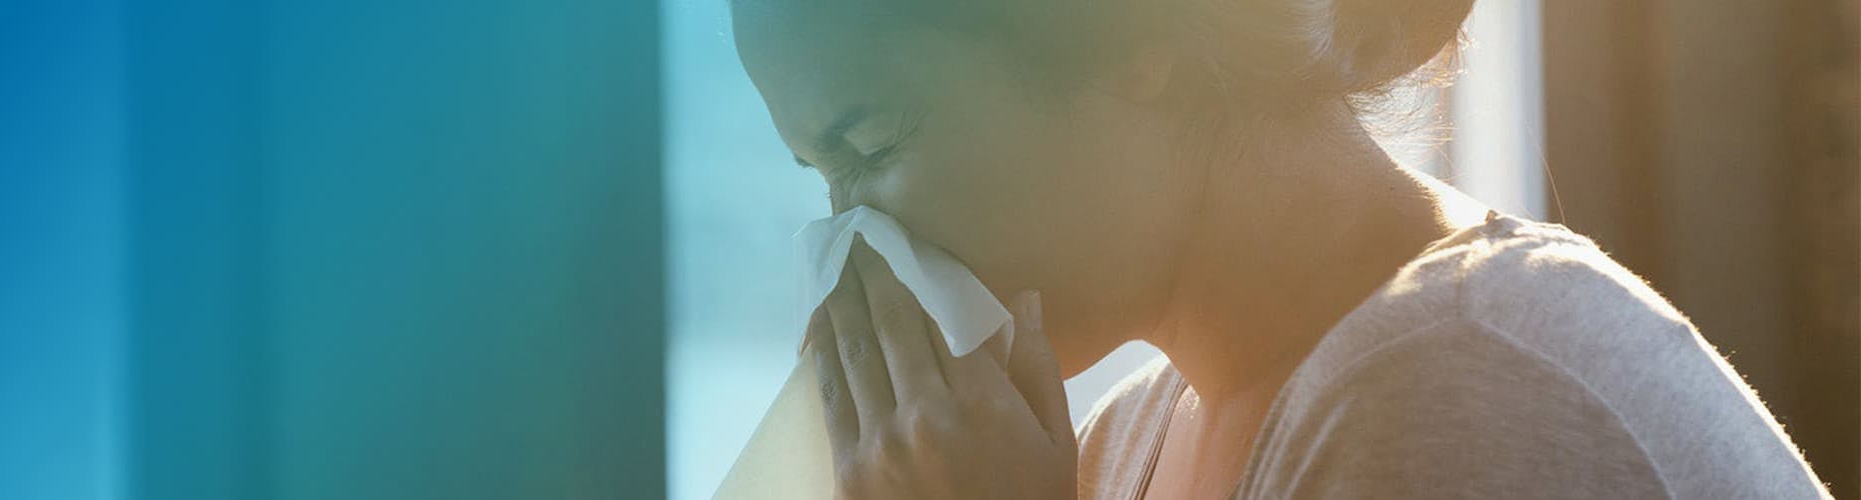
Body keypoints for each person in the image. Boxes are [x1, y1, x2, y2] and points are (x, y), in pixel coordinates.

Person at [726, 0, 1834, 497]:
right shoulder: (1121, 449)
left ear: (1124, 39)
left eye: (868, 147)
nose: (849, 235)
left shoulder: (1453, 389)